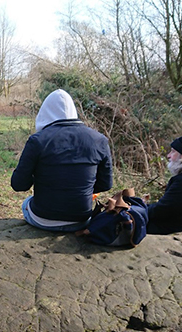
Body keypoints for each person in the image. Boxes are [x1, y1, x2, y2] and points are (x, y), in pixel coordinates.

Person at [11, 89, 113, 232]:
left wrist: (37, 176)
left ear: (44, 113)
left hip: (43, 217)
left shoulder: (38, 141)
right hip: (81, 219)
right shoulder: (99, 140)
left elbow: (18, 184)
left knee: (26, 203)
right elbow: (106, 184)